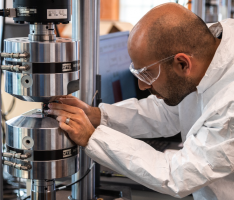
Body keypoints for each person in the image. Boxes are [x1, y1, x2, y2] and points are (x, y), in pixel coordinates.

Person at [46, 3, 234, 200]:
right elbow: (168, 113)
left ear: (182, 63)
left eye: (147, 74)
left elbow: (177, 175)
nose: (142, 86)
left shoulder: (229, 104)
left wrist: (93, 137)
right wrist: (97, 116)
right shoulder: (209, 46)